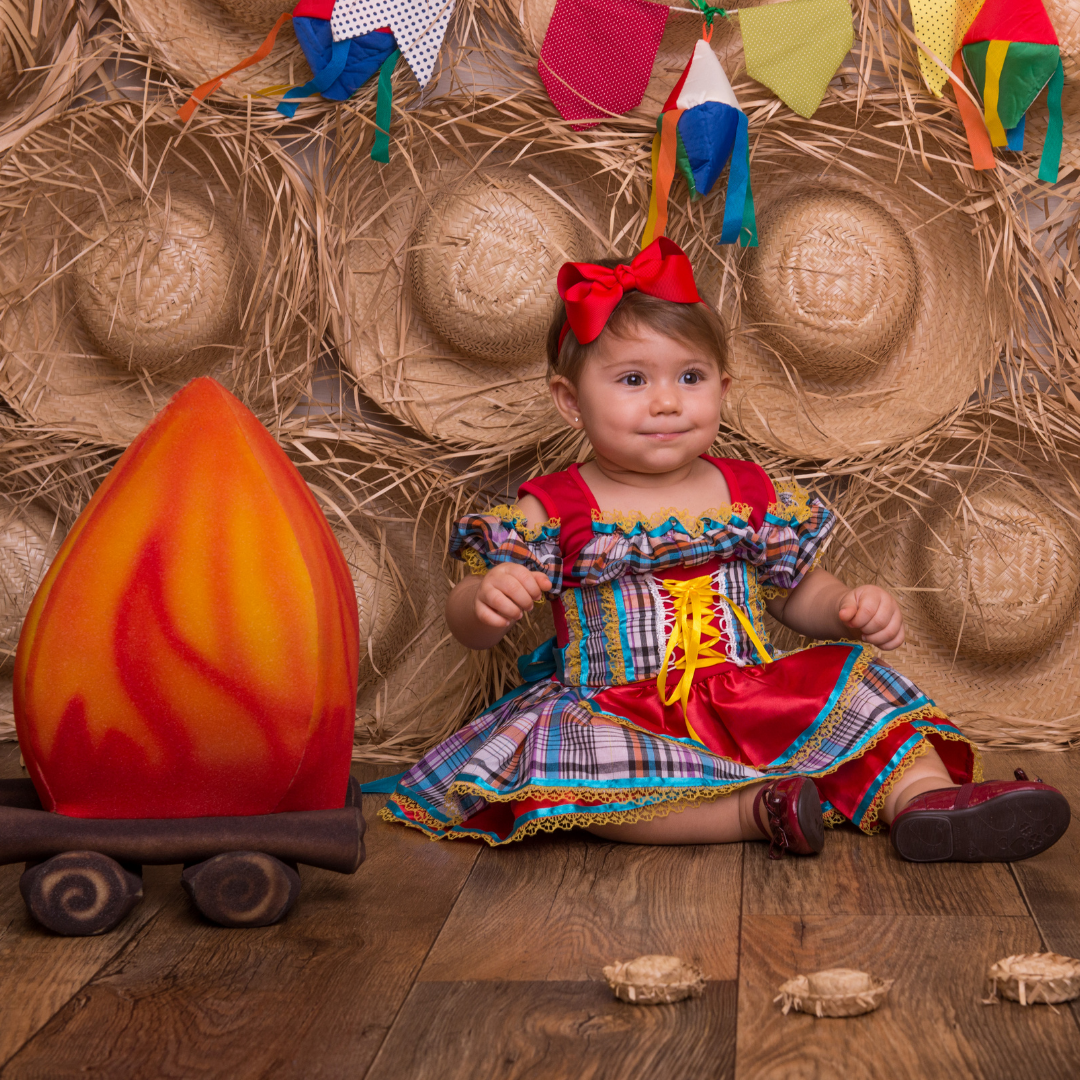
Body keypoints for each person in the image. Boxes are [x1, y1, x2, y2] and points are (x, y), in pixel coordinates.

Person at [382, 238, 1070, 862]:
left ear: (723, 388)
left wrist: (844, 607)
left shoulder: (745, 492)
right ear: (569, 400)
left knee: (856, 688)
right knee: (590, 780)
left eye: (691, 377)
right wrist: (486, 600)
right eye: (633, 380)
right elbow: (469, 626)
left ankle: (925, 802)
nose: (666, 402)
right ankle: (755, 810)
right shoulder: (555, 507)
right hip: (620, 709)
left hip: (749, 696)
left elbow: (795, 591)